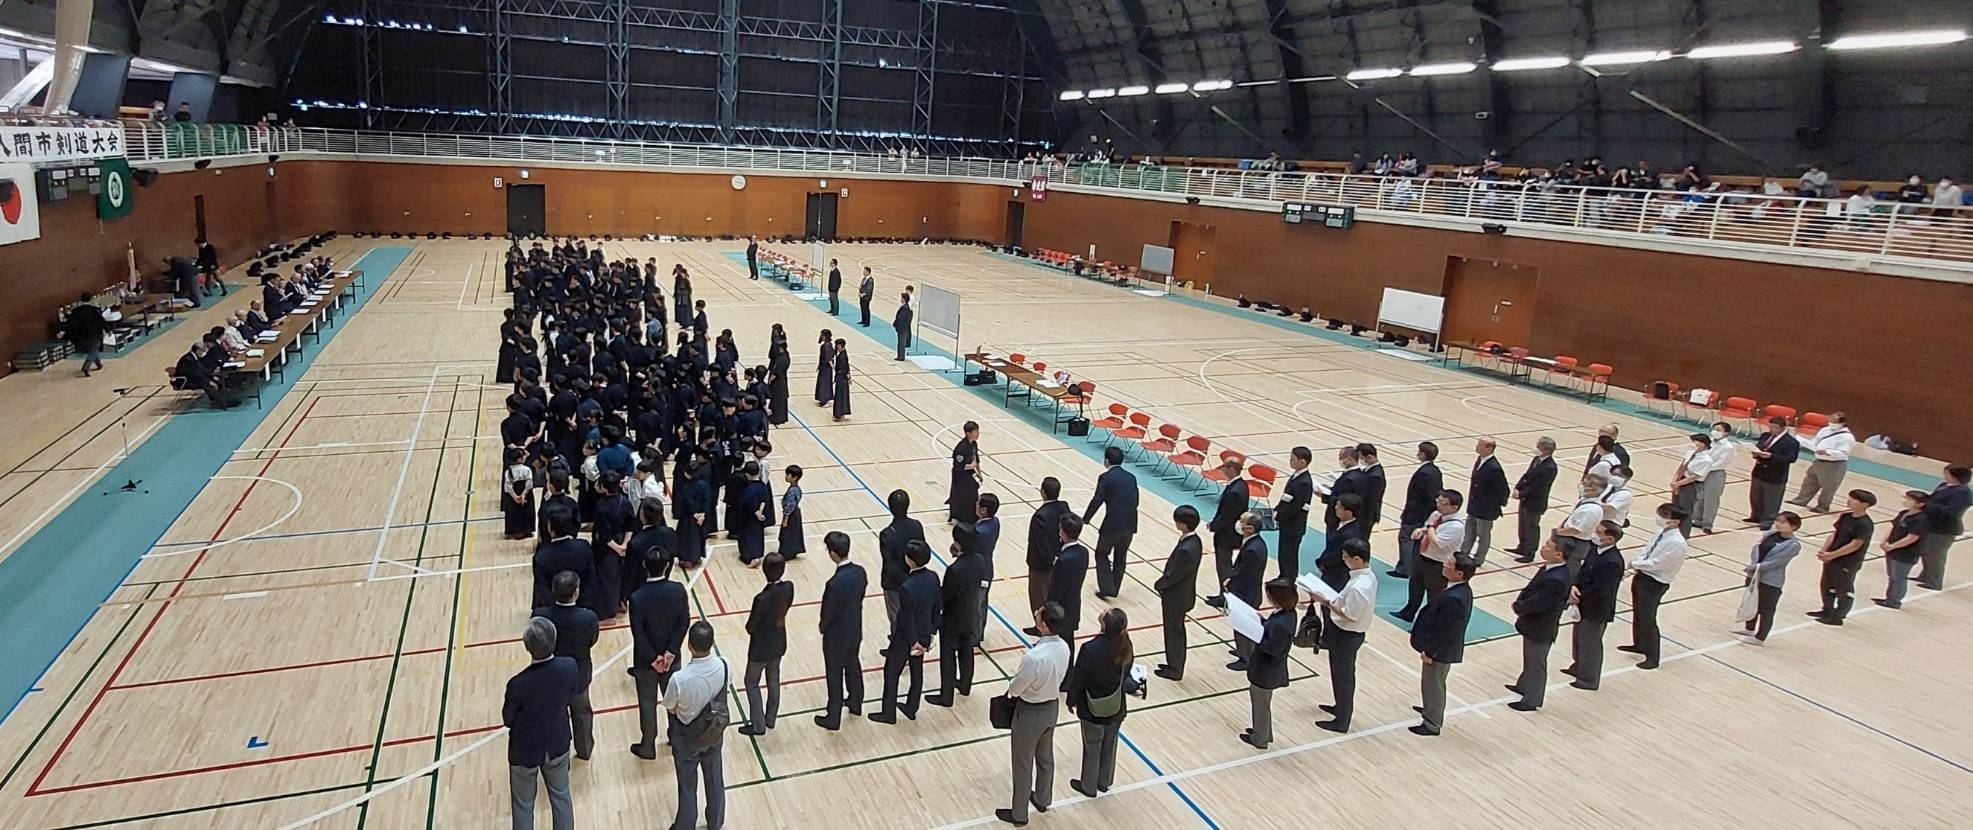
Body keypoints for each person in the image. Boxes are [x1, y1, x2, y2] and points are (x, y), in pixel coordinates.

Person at [999, 603, 1071, 826]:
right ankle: (1043, 798)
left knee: (1022, 762)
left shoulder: (1034, 657)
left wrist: (1012, 690)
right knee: (1045, 756)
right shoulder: (1064, 647)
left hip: (1030, 712)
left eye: (1038, 614)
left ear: (1044, 625)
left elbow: (1016, 688)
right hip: (1051, 707)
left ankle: (1019, 813)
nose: (1035, 614)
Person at [505, 617, 579, 830]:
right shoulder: (569, 667)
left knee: (523, 805)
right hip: (557, 742)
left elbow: (508, 719)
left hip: (525, 750)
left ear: (527, 647)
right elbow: (572, 694)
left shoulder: (518, 684)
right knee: (561, 796)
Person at [665, 621, 729, 830]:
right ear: (712, 642)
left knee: (687, 785)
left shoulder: (679, 679)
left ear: (689, 645)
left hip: (687, 738)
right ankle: (716, 821)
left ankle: (685, 825)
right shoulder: (725, 665)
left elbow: (670, 708)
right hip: (714, 732)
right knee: (715, 778)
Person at [628, 546, 689, 759]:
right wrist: (671, 651)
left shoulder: (637, 597)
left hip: (646, 663)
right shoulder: (678, 590)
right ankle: (676, 738)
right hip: (672, 659)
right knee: (674, 701)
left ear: (645, 566)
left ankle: (648, 745)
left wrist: (653, 658)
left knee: (647, 704)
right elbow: (683, 622)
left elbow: (638, 633)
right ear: (667, 566)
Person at [532, 572, 599, 761]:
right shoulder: (588, 618)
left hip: (550, 675)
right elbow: (592, 640)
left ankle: (556, 753)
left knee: (552, 715)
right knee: (582, 713)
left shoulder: (540, 616)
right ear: (576, 592)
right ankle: (584, 750)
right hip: (579, 674)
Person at [1066, 607, 1133, 794]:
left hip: (1092, 707)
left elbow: (1079, 677)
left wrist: (1071, 699)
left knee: (1092, 748)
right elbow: (1126, 673)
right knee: (1109, 746)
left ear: (1103, 624)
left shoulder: (1090, 649)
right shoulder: (1126, 645)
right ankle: (1104, 782)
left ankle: (1088, 786)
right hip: (1115, 706)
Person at [871, 540, 939, 724]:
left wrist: (913, 641)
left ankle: (888, 713)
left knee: (891, 673)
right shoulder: (933, 578)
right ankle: (911, 707)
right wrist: (931, 633)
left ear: (909, 560)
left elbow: (906, 619)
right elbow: (937, 607)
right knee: (917, 672)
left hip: (905, 638)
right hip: (924, 633)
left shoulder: (906, 587)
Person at [1410, 555, 1475, 736]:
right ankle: (1430, 707)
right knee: (1432, 683)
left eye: (1449, 564)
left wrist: (1432, 652)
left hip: (1439, 651)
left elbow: (1447, 631)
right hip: (1439, 648)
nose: (1444, 565)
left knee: (1433, 684)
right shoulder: (1457, 590)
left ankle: (1432, 722)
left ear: (1459, 573)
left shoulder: (1455, 598)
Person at [1314, 539, 1375, 732]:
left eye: (1346, 557)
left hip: (1347, 635)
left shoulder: (1359, 586)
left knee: (1344, 677)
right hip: (1344, 633)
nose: (1343, 560)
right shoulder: (1363, 576)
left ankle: (1342, 720)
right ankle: (1340, 706)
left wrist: (1325, 602)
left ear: (1357, 559)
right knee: (1339, 673)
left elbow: (1350, 614)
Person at [1507, 539, 1571, 712]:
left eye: (1549, 546)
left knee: (1536, 663)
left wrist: (1520, 607)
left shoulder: (1557, 578)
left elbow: (1540, 602)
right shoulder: (1549, 568)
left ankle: (1532, 699)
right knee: (1530, 658)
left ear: (1559, 554)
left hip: (1541, 625)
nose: (1544, 547)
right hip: (1532, 622)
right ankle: (1523, 686)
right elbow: (1531, 589)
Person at [1622, 503, 1688, 669]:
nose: (1660, 518)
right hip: (1643, 576)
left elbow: (1658, 563)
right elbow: (1647, 551)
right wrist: (1637, 564)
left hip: (1655, 582)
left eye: (1664, 516)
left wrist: (1636, 564)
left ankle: (1652, 656)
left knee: (1648, 618)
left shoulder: (1677, 543)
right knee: (1638, 613)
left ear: (1675, 521)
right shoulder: (1660, 533)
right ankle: (1639, 644)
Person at [737, 553, 793, 735]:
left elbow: (751, 627)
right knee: (773, 679)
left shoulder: (761, 599)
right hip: (778, 643)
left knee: (751, 682)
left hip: (760, 649)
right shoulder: (789, 588)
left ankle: (758, 725)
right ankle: (770, 718)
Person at [814, 531, 866, 729]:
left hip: (836, 636)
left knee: (834, 674)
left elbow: (828, 613)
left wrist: (822, 626)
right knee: (853, 665)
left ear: (833, 554)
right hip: (854, 629)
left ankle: (833, 716)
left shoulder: (834, 584)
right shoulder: (860, 572)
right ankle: (856, 703)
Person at [930, 530, 988, 706]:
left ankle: (946, 696)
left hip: (953, 618)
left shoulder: (954, 569)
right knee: (967, 651)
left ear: (958, 543)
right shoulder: (980, 560)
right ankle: (965, 685)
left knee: (948, 656)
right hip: (971, 614)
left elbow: (946, 596)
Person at [1566, 522, 1625, 691]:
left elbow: (1601, 589)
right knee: (1578, 637)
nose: (1595, 534)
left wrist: (1580, 597)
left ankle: (1588, 679)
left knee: (1590, 643)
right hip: (1582, 601)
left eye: (1599, 532)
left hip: (1596, 608)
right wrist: (1574, 586)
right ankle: (1578, 666)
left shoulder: (1613, 561)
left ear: (1610, 539)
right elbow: (1583, 570)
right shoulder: (1594, 549)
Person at [1395, 490, 1464, 622]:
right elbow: (1429, 529)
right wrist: (1422, 530)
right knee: (1415, 587)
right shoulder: (1437, 515)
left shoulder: (1456, 526)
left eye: (1443, 503)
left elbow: (1437, 542)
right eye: (1438, 500)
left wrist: (1430, 526)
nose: (1438, 504)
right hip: (1423, 557)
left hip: (1438, 564)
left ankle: (1428, 621)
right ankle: (1408, 613)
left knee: (1434, 596)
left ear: (1454, 508)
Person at [1083, 445, 1140, 600]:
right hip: (1129, 524)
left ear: (1107, 461)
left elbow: (1097, 500)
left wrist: (1086, 519)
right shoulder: (1131, 477)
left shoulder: (1105, 478)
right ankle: (1115, 587)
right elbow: (1136, 501)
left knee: (1101, 554)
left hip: (1112, 525)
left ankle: (1107, 587)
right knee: (1120, 557)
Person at [1811, 491, 1876, 625]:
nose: (1849, 500)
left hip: (1847, 561)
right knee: (1827, 585)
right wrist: (1825, 549)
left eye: (1854, 499)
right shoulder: (1845, 516)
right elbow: (1835, 534)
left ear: (1865, 504)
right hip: (1832, 557)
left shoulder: (1865, 524)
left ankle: (1838, 616)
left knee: (1843, 589)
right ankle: (1827, 610)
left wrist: (1833, 554)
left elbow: (1855, 545)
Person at [1153, 505, 1202, 681]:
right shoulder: (1194, 541)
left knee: (1174, 632)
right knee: (1174, 631)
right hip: (1181, 594)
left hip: (1176, 597)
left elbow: (1174, 575)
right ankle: (1173, 662)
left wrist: (1159, 584)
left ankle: (1175, 668)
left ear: (1182, 524)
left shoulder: (1186, 549)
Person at [1740, 513, 1804, 644]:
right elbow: (1756, 549)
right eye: (1778, 521)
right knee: (1752, 602)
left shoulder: (1793, 545)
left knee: (1766, 609)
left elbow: (1777, 561)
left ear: (1794, 526)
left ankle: (1760, 637)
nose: (1778, 524)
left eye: (1783, 522)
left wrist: (1756, 567)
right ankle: (1749, 628)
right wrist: (1753, 566)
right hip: (1755, 574)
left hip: (1771, 580)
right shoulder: (1770, 535)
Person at [1223, 511, 1268, 669]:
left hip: (1247, 594)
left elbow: (1246, 575)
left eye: (1241, 522)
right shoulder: (1252, 543)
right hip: (1246, 592)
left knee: (1244, 627)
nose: (1238, 524)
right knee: (1240, 626)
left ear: (1249, 528)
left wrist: (1230, 586)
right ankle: (1242, 651)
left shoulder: (1253, 550)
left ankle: (1246, 659)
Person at [1916, 464, 1971, 591]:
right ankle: (1925, 576)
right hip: (1931, 524)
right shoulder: (1944, 485)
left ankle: (1934, 582)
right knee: (1927, 551)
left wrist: (1927, 505)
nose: (1944, 475)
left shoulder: (1963, 493)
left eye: (1947, 473)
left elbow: (1952, 511)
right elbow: (1932, 498)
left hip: (1944, 528)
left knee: (1936, 555)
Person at [1203, 457, 1249, 608]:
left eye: (1224, 467)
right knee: (1224, 566)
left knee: (1224, 567)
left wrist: (1214, 525)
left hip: (1227, 535)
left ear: (1232, 469)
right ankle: (1224, 594)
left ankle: (1226, 597)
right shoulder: (1240, 485)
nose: (1222, 470)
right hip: (1228, 533)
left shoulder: (1235, 491)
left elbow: (1227, 515)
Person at [1393, 441, 1443, 578]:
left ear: (1423, 454)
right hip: (1422, 514)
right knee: (1414, 542)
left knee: (1406, 540)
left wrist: (1412, 513)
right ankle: (1409, 567)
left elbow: (1424, 497)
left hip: (1415, 514)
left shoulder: (1424, 473)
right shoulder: (1435, 470)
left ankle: (1405, 569)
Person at [877, 488, 926, 623]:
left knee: (897, 622)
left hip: (895, 586)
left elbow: (889, 566)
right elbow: (923, 553)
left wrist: (905, 582)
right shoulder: (916, 525)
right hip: (915, 581)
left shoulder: (887, 534)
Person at [1025, 477, 1070, 621]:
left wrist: (1051, 560)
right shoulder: (1064, 507)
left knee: (1038, 596)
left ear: (1043, 492)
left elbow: (1041, 543)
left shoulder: (1040, 516)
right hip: (1059, 557)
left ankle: (1041, 625)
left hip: (1041, 564)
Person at [1789, 412, 1854, 512]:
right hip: (1819, 460)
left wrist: (1827, 452)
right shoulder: (1825, 430)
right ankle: (1801, 500)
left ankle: (1823, 506)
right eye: (1830, 420)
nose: (1831, 422)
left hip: (1834, 464)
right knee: (1810, 480)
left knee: (1829, 486)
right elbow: (1814, 443)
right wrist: (1803, 441)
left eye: (1834, 421)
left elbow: (1843, 453)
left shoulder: (1847, 437)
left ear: (1843, 423)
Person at [1875, 491, 1930, 609]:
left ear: (1920, 504)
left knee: (1898, 577)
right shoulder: (1903, 513)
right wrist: (1885, 541)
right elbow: (1893, 527)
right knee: (1892, 575)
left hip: (1906, 553)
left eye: (1910, 499)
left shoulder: (1921, 519)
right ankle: (1889, 597)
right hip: (1893, 549)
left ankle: (1895, 601)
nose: (1906, 501)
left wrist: (1893, 546)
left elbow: (1912, 537)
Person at [1745, 417, 1801, 530]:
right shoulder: (1765, 436)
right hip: (1759, 471)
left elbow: (1791, 458)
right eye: (1770, 427)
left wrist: (1771, 456)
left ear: (1783, 428)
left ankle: (1768, 520)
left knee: (1772, 500)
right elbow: (1760, 447)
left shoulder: (1791, 442)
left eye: (1774, 427)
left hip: (1775, 474)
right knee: (1756, 497)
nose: (1771, 429)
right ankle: (1756, 516)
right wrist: (1756, 453)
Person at [1509, 437, 1559, 562]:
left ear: (1547, 450)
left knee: (1531, 527)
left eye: (1539, 446)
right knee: (1523, 524)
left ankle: (1530, 552)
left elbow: (1538, 487)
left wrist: (1521, 494)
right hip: (1525, 498)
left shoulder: (1549, 467)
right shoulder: (1537, 459)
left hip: (1535, 502)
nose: (1536, 448)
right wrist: (1517, 488)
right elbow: (1527, 475)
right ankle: (1522, 546)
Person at [532, 507, 593, 610]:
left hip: (554, 612)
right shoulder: (584, 547)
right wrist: (583, 608)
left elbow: (543, 592)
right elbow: (590, 582)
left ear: (550, 529)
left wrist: (555, 612)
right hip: (582, 608)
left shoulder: (541, 557)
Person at [1463, 436, 1509, 564]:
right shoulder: (1479, 460)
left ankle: (1479, 559)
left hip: (1485, 509)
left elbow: (1503, 489)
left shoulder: (1494, 468)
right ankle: (1463, 555)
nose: (1477, 447)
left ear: (1489, 448)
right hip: (1474, 505)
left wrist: (1494, 506)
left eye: (1480, 445)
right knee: (1469, 533)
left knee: (1483, 536)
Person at [1049, 515, 1091, 649]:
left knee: (1060, 644)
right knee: (1068, 642)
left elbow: (1057, 589)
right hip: (1074, 605)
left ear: (1062, 532)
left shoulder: (1063, 560)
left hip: (1060, 609)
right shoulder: (1084, 552)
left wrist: (1047, 607)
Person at [1274, 447, 1315, 579]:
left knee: (1289, 554)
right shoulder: (1296, 476)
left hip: (1293, 525)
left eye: (1293, 459)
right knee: (1283, 553)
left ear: (1302, 462)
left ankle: (1289, 580)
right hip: (1287, 523)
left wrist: (1280, 516)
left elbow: (1295, 506)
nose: (1290, 461)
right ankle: (1283, 576)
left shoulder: (1304, 482)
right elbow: (1287, 498)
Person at [1316, 493, 1365, 591]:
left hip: (1337, 575)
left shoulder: (1349, 534)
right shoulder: (1342, 524)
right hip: (1330, 571)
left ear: (1348, 512)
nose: (1335, 508)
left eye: (1339, 506)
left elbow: (1338, 555)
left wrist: (1322, 562)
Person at [1670, 433, 1715, 536]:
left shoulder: (1706, 460)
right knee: (1675, 507)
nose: (1693, 443)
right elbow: (1681, 467)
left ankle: (1683, 534)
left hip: (1691, 484)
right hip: (1680, 480)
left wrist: (1678, 483)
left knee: (1685, 509)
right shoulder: (1690, 453)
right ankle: (1673, 531)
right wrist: (1674, 481)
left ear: (1703, 444)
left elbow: (1695, 476)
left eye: (1696, 441)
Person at [1697, 421, 1736, 532]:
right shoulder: (1709, 442)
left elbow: (1721, 463)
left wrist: (1705, 467)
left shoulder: (1728, 447)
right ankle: (1697, 520)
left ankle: (1707, 524)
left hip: (1715, 473)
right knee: (1700, 496)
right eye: (1714, 429)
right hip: (1702, 472)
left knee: (1711, 499)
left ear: (1726, 433)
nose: (1715, 432)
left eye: (1718, 430)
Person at [1320, 445, 1366, 539]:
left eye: (1341, 458)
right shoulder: (1360, 474)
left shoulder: (1349, 479)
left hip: (1337, 519)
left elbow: (1341, 499)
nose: (1340, 460)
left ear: (1349, 459)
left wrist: (1322, 495)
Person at [734, 461, 773, 566]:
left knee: (747, 537)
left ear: (748, 474)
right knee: (758, 536)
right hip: (759, 518)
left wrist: (756, 512)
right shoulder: (763, 486)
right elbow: (765, 500)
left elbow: (748, 504)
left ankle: (750, 557)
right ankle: (757, 555)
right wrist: (760, 512)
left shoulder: (748, 490)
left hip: (748, 519)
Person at [64, 294, 108, 376]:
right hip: (94, 334)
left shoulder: (76, 311)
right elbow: (102, 322)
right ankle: (86, 367)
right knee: (95, 348)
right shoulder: (95, 310)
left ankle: (99, 364)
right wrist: (108, 330)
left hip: (80, 336)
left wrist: (63, 331)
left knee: (94, 349)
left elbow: (70, 323)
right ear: (90, 299)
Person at [948, 421, 982, 524]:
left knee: (973, 492)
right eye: (975, 432)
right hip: (960, 474)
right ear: (968, 433)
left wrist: (979, 473)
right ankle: (956, 516)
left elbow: (976, 459)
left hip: (969, 472)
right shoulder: (961, 448)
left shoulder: (974, 444)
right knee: (959, 495)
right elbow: (957, 466)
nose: (977, 434)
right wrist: (970, 466)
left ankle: (972, 515)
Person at [775, 464, 805, 560]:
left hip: (791, 515)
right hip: (795, 513)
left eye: (788, 475)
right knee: (793, 534)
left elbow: (789, 506)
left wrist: (785, 519)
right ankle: (792, 551)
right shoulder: (796, 488)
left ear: (795, 477)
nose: (786, 476)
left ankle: (786, 553)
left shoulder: (792, 491)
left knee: (787, 534)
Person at [831, 339, 852, 421]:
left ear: (840, 345)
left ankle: (841, 413)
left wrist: (847, 376)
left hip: (842, 378)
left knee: (841, 396)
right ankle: (838, 413)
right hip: (840, 377)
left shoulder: (843, 356)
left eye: (837, 345)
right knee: (839, 395)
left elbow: (845, 368)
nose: (836, 347)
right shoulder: (841, 354)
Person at [813, 331, 835, 407]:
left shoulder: (827, 346)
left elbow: (828, 357)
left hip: (826, 367)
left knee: (825, 383)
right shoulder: (826, 344)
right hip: (823, 366)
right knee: (822, 382)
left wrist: (832, 365)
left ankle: (827, 400)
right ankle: (822, 399)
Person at [892, 292, 914, 361]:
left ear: (904, 299)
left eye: (901, 298)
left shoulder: (905, 308)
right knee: (900, 342)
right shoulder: (903, 306)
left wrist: (897, 324)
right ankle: (899, 355)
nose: (900, 299)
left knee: (901, 342)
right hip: (901, 327)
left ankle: (901, 356)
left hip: (902, 328)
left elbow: (901, 318)